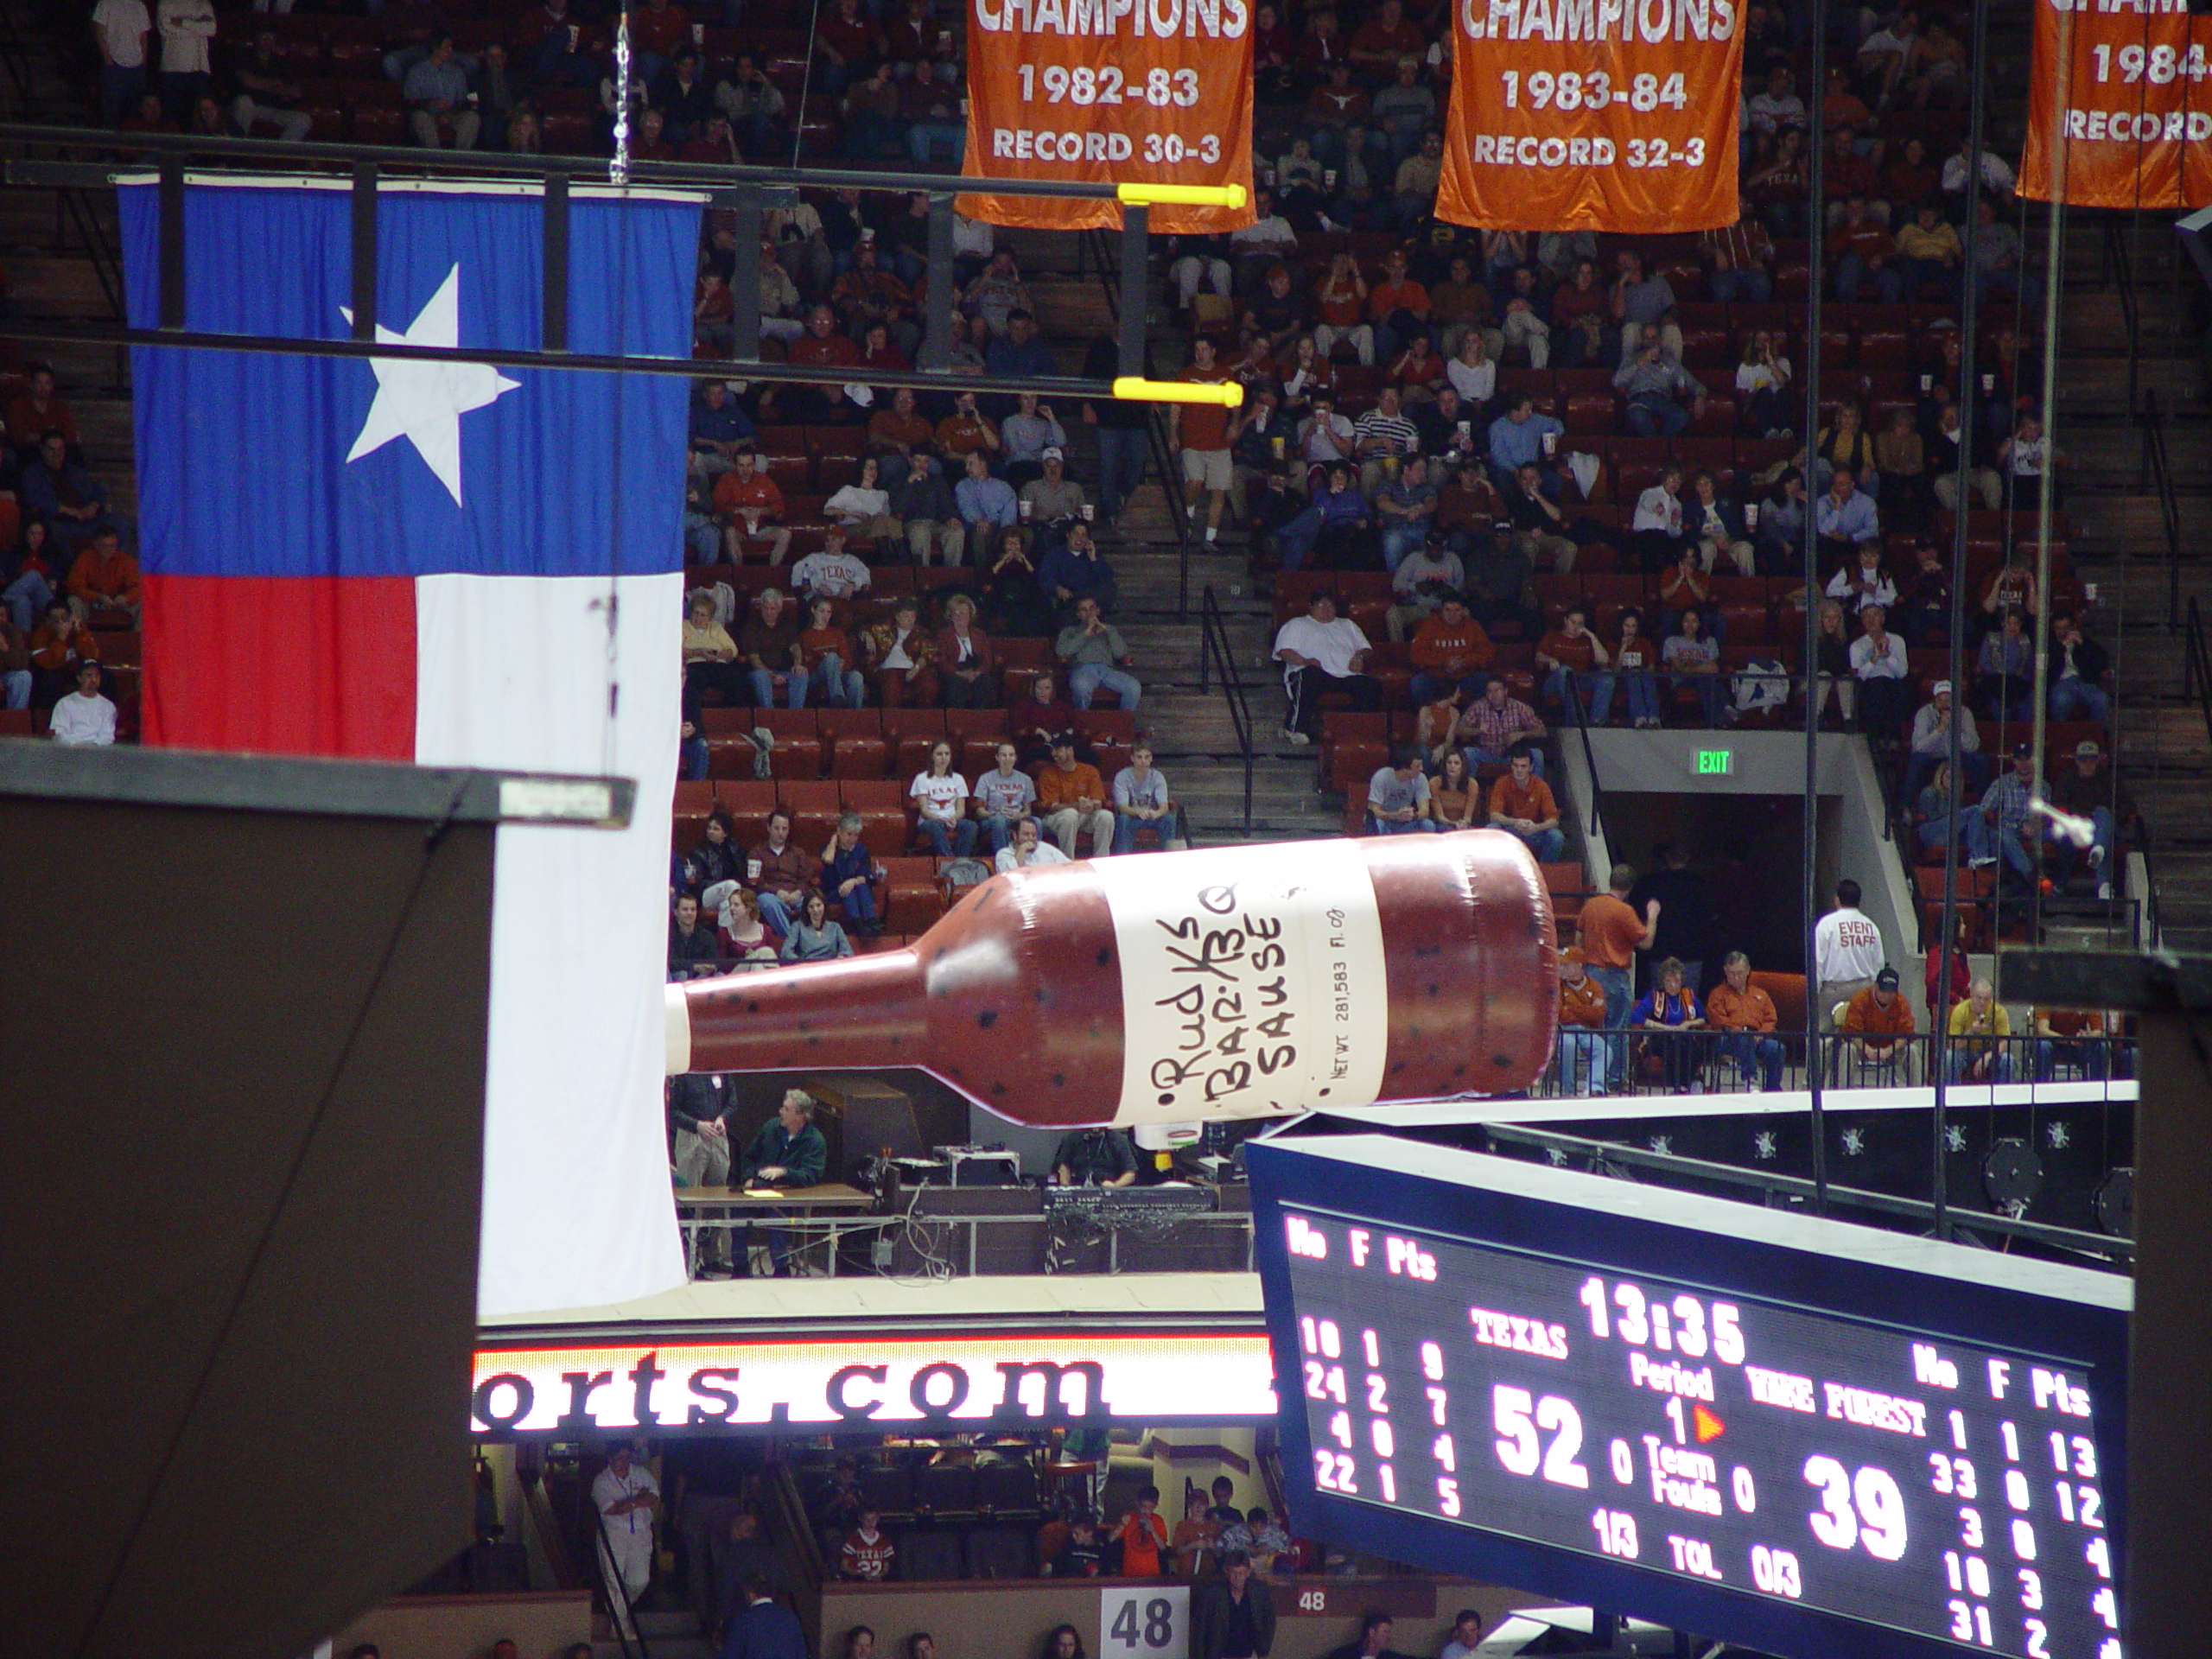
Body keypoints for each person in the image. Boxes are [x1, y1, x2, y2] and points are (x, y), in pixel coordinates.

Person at [1578, 866, 1656, 1091]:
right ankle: (1614, 1078)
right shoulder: (1624, 911)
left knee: (1595, 1027)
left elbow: (1578, 938)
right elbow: (1646, 942)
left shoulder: (1590, 905)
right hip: (1614, 975)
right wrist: (1652, 916)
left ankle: (1595, 1077)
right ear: (1629, 888)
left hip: (1590, 973)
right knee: (1617, 1030)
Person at [1273, 589, 1382, 745]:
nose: (1326, 608)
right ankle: (1295, 727)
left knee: (1372, 686)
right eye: (1321, 605)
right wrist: (1304, 661)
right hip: (1313, 673)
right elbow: (1284, 652)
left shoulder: (1347, 624)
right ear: (1311, 607)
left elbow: (1366, 649)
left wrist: (1360, 656)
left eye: (1330, 605)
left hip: (1345, 675)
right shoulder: (1297, 624)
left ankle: (1340, 726)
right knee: (1310, 675)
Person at [594, 1445, 659, 1640]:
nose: (625, 1461)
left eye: (627, 1456)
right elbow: (611, 1509)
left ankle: (617, 1613)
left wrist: (630, 1503)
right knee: (614, 1579)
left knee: (639, 1581)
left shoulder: (641, 1473)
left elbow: (653, 1496)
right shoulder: (601, 1481)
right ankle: (620, 1627)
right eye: (621, 1457)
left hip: (640, 1533)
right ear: (611, 1458)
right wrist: (638, 1500)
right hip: (615, 1534)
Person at [1707, 952, 1785, 1091]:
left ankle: (1773, 1088)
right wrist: (1741, 1032)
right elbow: (1718, 1020)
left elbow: (1771, 1018)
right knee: (1744, 1039)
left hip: (1757, 1037)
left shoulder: (1760, 993)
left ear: (1748, 971)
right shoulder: (1717, 994)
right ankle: (1750, 1079)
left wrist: (1761, 1034)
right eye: (1731, 974)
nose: (1736, 978)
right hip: (1729, 1038)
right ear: (1725, 971)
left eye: (1739, 973)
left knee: (1777, 1048)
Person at [1814, 878, 1885, 1029]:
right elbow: (1879, 964)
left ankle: (1820, 1052)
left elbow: (1818, 961)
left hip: (1833, 989)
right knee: (1860, 1033)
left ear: (1837, 899)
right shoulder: (1871, 927)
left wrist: (1815, 989)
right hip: (1864, 989)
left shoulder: (1827, 924)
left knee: (1822, 1033)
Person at [1630, 956, 1705, 1091]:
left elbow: (1703, 1018)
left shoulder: (1689, 995)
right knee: (1673, 1048)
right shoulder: (1654, 996)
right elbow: (1636, 1016)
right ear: (1662, 981)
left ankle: (1685, 1086)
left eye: (1676, 981)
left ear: (1682, 980)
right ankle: (1682, 1086)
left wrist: (1687, 1024)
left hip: (1684, 1036)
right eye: (1668, 981)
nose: (1673, 985)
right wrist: (1665, 1027)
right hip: (1660, 1038)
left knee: (1694, 1049)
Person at [1057, 597, 1141, 712]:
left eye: (1092, 608)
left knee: (1134, 686)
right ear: (1078, 615)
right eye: (1084, 610)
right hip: (1083, 670)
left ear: (1098, 611)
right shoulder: (1070, 631)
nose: (1089, 613)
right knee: (1081, 686)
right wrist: (1085, 634)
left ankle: (1122, 723)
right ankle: (1082, 721)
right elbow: (1062, 651)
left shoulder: (1109, 631)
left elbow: (1120, 653)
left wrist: (1108, 630)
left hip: (1107, 671)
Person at [1408, 594, 1492, 707]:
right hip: (1437, 676)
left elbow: (1486, 652)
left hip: (1466, 675)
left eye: (1457, 610)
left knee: (1485, 680)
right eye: (1448, 610)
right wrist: (1443, 662)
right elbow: (1416, 654)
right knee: (1418, 682)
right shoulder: (1429, 626)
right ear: (1441, 610)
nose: (1452, 615)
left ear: (1463, 611)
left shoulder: (1473, 626)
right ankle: (1423, 719)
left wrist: (1464, 662)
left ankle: (1479, 718)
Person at [1535, 606, 1614, 727]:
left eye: (1580, 623)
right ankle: (1577, 721)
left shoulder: (1586, 639)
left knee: (1607, 676)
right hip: (1556, 680)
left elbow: (1604, 661)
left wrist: (1592, 637)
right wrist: (1550, 659)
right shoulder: (1553, 635)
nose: (1576, 626)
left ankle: (1598, 723)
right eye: (1573, 622)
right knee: (1565, 671)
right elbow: (1538, 656)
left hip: (1581, 678)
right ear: (1566, 621)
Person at [1038, 733, 1114, 858]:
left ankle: (1101, 862)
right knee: (1070, 814)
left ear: (1070, 750)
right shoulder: (1047, 773)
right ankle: (1067, 863)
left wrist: (1091, 805)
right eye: (1052, 750)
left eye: (1058, 749)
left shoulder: (1089, 771)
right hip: (1055, 819)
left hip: (1083, 816)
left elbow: (1098, 801)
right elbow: (1051, 807)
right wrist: (1075, 806)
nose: (1054, 753)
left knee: (1106, 816)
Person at [1839, 966, 1916, 1084]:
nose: (1886, 995)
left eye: (1891, 992)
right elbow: (1852, 1033)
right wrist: (1867, 1050)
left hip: (1891, 1048)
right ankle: (1842, 1093)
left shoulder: (1901, 1002)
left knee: (1913, 1051)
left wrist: (1888, 1051)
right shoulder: (1860, 999)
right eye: (1883, 991)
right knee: (1847, 1049)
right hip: (1862, 1047)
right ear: (1875, 986)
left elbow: (1906, 1034)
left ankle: (1919, 1093)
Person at [1192, 1551, 1276, 1659]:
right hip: (1221, 1655)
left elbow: (1269, 1622)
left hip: (1250, 1654)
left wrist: (1263, 1651)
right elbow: (1200, 1629)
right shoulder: (1212, 1595)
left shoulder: (1260, 1592)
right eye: (1233, 1573)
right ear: (1226, 1571)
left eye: (1241, 1573)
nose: (1237, 1577)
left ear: (1248, 1572)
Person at [1458, 673, 1547, 772]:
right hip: (1486, 753)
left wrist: (1521, 734)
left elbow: (1542, 731)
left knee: (1537, 754)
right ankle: (1469, 787)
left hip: (1512, 755)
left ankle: (1537, 787)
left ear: (1505, 691)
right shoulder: (1478, 706)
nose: (1493, 695)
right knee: (1468, 752)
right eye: (1489, 691)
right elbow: (1459, 729)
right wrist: (1477, 730)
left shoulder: (1519, 707)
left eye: (1497, 691)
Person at [862, 598, 939, 709]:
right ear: (897, 616)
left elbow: (928, 652)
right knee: (892, 687)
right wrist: (867, 636)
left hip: (914, 668)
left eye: (913, 617)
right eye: (906, 616)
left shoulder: (921, 632)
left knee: (929, 685)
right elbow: (861, 628)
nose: (910, 620)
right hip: (890, 669)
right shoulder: (885, 629)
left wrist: (915, 669)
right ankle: (892, 722)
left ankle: (923, 719)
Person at [1487, 751, 1564, 861]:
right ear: (1511, 767)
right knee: (1492, 828)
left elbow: (1554, 820)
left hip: (1533, 830)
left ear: (1531, 767)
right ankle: (1498, 868)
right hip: (1510, 828)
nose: (1519, 770)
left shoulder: (1541, 786)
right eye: (1516, 766)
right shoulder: (1502, 783)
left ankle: (1544, 870)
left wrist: (1536, 827)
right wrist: (1515, 822)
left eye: (1523, 766)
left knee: (1556, 837)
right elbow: (1494, 815)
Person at [1850, 604, 1912, 739]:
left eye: (1874, 615)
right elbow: (1859, 676)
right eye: (1866, 617)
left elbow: (1902, 673)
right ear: (1862, 622)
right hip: (1870, 682)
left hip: (1893, 681)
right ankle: (1875, 739)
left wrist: (1887, 655)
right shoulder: (1857, 645)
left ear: (1883, 619)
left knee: (1900, 692)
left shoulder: (1897, 641)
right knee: (1876, 690)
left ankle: (1895, 739)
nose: (1870, 620)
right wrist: (1874, 658)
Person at [909, 739, 978, 858]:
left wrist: (953, 819)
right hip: (930, 820)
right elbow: (924, 811)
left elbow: (961, 810)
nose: (944, 757)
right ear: (932, 756)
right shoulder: (922, 778)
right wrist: (943, 820)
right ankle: (948, 860)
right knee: (935, 826)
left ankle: (960, 860)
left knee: (971, 826)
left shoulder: (958, 779)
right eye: (939, 754)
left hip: (953, 819)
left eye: (947, 754)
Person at [1112, 743, 1183, 853]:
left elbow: (1164, 806)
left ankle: (1169, 855)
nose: (1143, 761)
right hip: (1132, 817)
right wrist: (1137, 812)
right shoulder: (1122, 776)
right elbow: (1122, 807)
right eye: (1139, 757)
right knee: (1123, 819)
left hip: (1153, 817)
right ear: (1132, 758)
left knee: (1168, 819)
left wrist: (1157, 813)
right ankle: (1123, 856)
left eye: (1147, 757)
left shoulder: (1157, 777)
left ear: (1151, 759)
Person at [819, 813, 884, 934]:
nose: (852, 839)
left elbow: (865, 877)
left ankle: (871, 921)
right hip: (834, 891)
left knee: (859, 886)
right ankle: (857, 924)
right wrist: (834, 841)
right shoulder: (828, 848)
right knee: (848, 890)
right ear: (839, 831)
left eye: (856, 835)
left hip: (857, 890)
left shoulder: (861, 850)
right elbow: (828, 860)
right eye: (849, 834)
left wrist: (852, 881)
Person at [1555, 949, 1608, 1094]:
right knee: (1568, 1044)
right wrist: (1587, 1009)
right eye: (1560, 965)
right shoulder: (1557, 985)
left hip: (1588, 1031)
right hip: (1565, 1030)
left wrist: (1571, 1008)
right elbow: (1560, 1014)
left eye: (1566, 965)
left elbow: (1599, 1014)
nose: (1561, 969)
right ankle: (1568, 1091)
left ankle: (1594, 1088)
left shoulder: (1594, 986)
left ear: (1579, 965)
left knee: (1603, 1049)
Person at [2046, 611, 2111, 727]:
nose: (2062, 632)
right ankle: (2058, 732)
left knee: (2101, 700)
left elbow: (2100, 663)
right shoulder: (2050, 645)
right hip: (2061, 682)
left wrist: (2082, 644)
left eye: (2066, 627)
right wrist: (2062, 646)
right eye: (2058, 628)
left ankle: (2093, 732)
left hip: (2085, 682)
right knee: (2061, 700)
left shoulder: (2087, 643)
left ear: (2074, 627)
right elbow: (2050, 668)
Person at [971, 742, 1037, 855]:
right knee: (1000, 821)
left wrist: (1020, 816)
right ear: (997, 758)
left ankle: (1033, 857)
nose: (1008, 759)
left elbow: (1028, 810)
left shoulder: (1026, 779)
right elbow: (980, 810)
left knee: (1037, 822)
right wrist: (996, 814)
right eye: (1004, 755)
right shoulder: (985, 778)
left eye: (1011, 755)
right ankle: (1004, 857)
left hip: (1017, 817)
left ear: (1015, 758)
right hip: (993, 818)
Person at [936, 593, 997, 707]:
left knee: (986, 683)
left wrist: (977, 673)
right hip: (954, 671)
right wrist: (960, 674)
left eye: (964, 614)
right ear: (950, 616)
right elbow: (942, 661)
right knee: (956, 685)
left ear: (970, 615)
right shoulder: (944, 634)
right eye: (956, 614)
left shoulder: (980, 634)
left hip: (975, 670)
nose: (960, 617)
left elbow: (987, 660)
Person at [1947, 976, 2011, 1084]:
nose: (1982, 1002)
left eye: (1986, 999)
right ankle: (1950, 1095)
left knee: (2007, 1059)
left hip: (1989, 1051)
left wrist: (1989, 1056)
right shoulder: (1960, 1011)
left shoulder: (1999, 1012)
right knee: (1949, 1056)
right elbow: (1954, 1045)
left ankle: (2004, 1098)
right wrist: (1971, 1031)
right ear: (1971, 995)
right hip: (1965, 1052)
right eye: (1978, 997)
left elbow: (2005, 1042)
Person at [722, 1578, 806, 1659]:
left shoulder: (744, 1619)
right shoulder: (789, 1615)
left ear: (751, 1594)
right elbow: (801, 1652)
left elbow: (731, 1654)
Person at [1367, 745, 1436, 836]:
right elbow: (1374, 811)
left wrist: (1413, 816)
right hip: (1385, 819)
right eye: (1417, 766)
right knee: (1378, 824)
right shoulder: (1382, 777)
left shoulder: (1421, 778)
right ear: (1405, 768)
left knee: (1428, 825)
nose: (1422, 769)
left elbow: (1425, 810)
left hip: (1406, 822)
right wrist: (1395, 815)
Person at [48, 658, 117, 746]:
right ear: (79, 678)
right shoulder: (64, 703)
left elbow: (107, 736)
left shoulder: (108, 706)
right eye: (89, 675)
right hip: (70, 752)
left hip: (97, 753)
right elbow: (59, 733)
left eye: (97, 675)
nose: (93, 679)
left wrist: (93, 746)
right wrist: (77, 746)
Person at [1612, 609, 1662, 728]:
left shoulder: (1644, 643)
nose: (1630, 630)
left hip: (1643, 678)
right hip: (1622, 680)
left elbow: (1651, 666)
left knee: (1645, 675)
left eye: (1633, 626)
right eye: (1627, 626)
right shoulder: (1613, 643)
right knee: (1633, 674)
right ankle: (1639, 718)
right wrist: (1623, 648)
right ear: (1621, 626)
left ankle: (1654, 718)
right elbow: (1615, 670)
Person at [779, 890, 855, 962]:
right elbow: (786, 952)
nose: (816, 910)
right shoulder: (797, 926)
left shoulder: (835, 927)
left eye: (818, 905)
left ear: (824, 906)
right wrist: (801, 962)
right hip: (808, 968)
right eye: (811, 907)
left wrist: (840, 958)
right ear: (806, 909)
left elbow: (847, 951)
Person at [1114, 1485, 1171, 1577]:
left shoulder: (1158, 1520)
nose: (1146, 1511)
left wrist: (1152, 1531)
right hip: (1130, 1573)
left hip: (1152, 1573)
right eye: (1143, 1507)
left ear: (1155, 1506)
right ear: (1137, 1503)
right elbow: (1110, 1539)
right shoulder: (1130, 1518)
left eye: (1150, 1508)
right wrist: (1122, 1524)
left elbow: (1163, 1548)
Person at [1053, 1125, 1137, 1185]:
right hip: (1079, 1188)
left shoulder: (1118, 1140)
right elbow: (1064, 1165)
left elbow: (1130, 1174)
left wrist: (1115, 1186)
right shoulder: (1073, 1137)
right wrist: (1066, 1187)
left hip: (1108, 1190)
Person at [670, 893, 724, 981]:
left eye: (693, 909)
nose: (689, 913)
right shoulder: (669, 935)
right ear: (676, 912)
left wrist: (711, 967)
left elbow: (716, 961)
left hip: (701, 978)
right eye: (685, 909)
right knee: (682, 975)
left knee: (719, 976)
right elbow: (670, 963)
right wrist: (694, 967)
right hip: (677, 978)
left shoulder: (706, 935)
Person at [996, 814, 1071, 872]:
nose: (1031, 839)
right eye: (1026, 834)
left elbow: (1068, 866)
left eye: (1034, 835)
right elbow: (1009, 876)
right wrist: (1022, 849)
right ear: (1015, 835)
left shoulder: (1045, 848)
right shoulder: (1003, 854)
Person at [1427, 747, 1478, 830]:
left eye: (1456, 763)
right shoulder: (1434, 783)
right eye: (1449, 763)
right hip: (1442, 824)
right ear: (1445, 765)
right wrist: (1453, 824)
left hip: (1462, 824)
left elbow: (1468, 817)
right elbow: (1440, 816)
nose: (1452, 766)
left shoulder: (1472, 784)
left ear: (1463, 766)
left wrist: (1463, 823)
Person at [1326, 1612, 1414, 1659]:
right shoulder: (1344, 1655)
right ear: (1372, 1632)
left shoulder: (1390, 1657)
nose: (1388, 1637)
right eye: (1385, 1632)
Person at [840, 1509, 895, 1580]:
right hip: (857, 1583)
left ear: (877, 1519)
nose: (870, 1522)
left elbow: (887, 1566)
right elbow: (844, 1566)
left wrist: (879, 1575)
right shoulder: (853, 1540)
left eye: (873, 1519)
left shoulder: (884, 1541)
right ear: (861, 1519)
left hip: (878, 1584)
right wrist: (860, 1574)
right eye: (867, 1519)